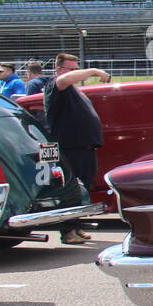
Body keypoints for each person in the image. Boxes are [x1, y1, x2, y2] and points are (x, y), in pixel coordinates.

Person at [43, 53, 110, 244]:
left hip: (84, 147)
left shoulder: (74, 90)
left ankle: (75, 226)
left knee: (82, 189)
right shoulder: (55, 85)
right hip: (69, 147)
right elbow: (64, 80)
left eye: (77, 68)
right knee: (71, 191)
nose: (76, 73)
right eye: (72, 69)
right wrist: (94, 71)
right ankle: (68, 231)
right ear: (58, 69)